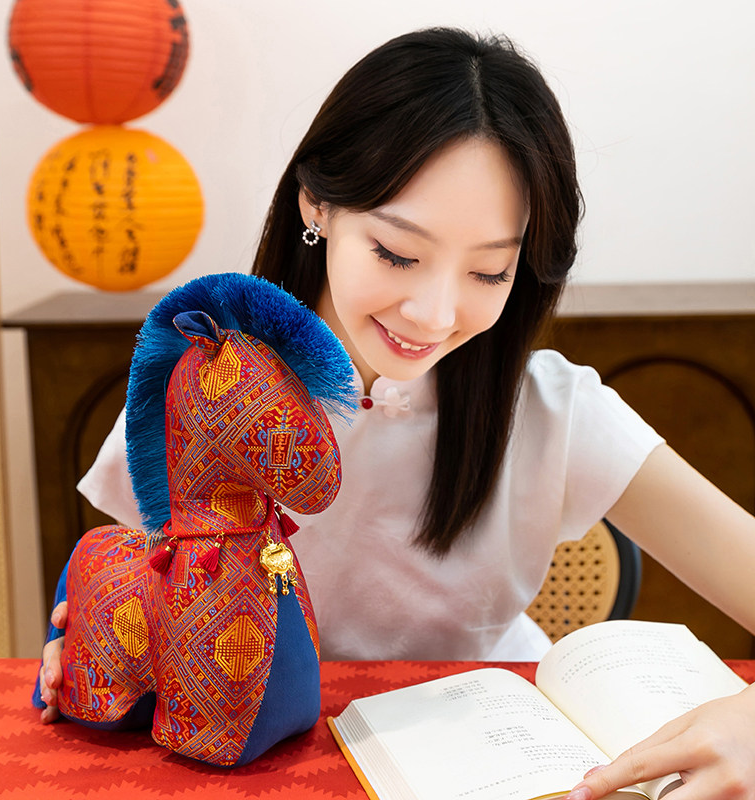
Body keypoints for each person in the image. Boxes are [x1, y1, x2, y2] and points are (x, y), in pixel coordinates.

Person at [37, 27, 755, 799]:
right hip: (265, 766)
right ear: (317, 203)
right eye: (397, 254)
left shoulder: (554, 411)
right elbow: (130, 588)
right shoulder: (207, 392)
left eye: (489, 271)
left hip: (506, 766)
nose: (434, 314)